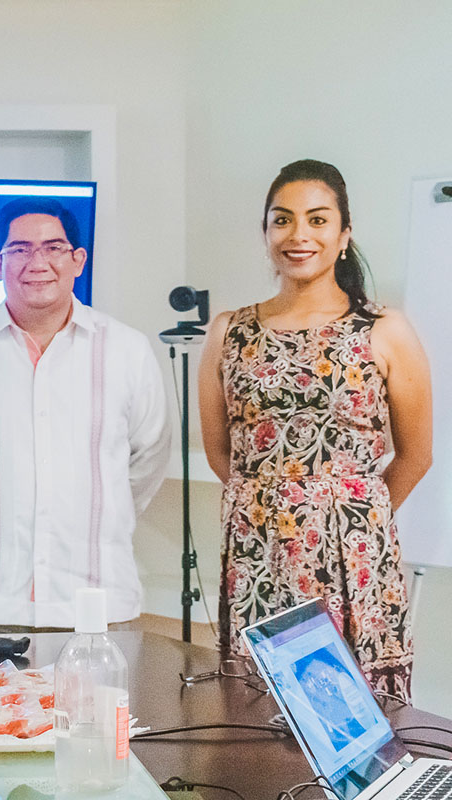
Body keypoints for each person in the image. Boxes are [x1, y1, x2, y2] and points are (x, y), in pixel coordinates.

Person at [198, 159, 432, 700]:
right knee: (257, 719)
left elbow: (416, 455)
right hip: (257, 550)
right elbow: (221, 454)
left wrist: (347, 515)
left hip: (355, 556)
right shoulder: (229, 331)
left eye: (318, 219)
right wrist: (277, 511)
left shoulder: (384, 329)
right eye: (282, 220)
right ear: (265, 234)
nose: (299, 234)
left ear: (344, 234)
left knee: (354, 724)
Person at [0, 197, 170, 630]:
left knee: (97, 701)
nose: (37, 262)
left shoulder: (126, 350)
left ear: (78, 259)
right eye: (19, 249)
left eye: (53, 248)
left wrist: (95, 506)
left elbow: (148, 458)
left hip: (95, 601)